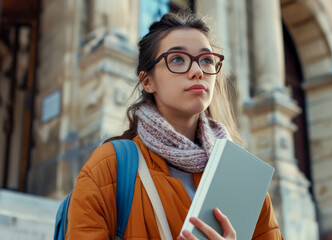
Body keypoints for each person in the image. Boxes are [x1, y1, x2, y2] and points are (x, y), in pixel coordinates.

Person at [66, 11, 284, 240]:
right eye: (178, 59)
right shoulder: (108, 167)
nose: (198, 71)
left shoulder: (242, 175)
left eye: (207, 60)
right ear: (147, 81)